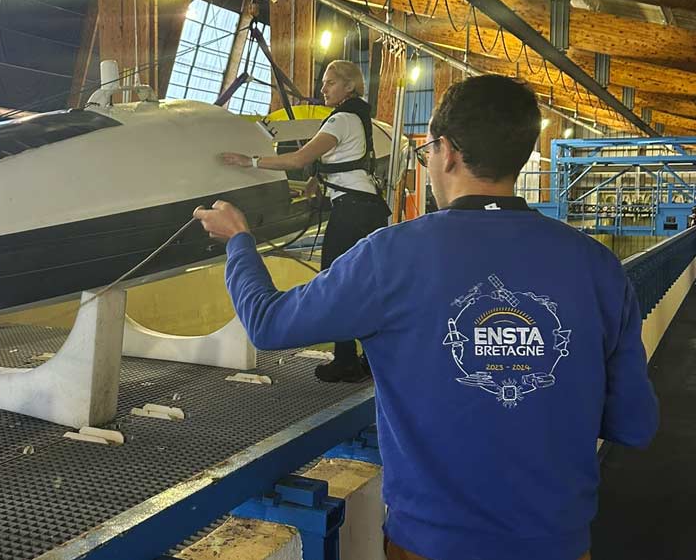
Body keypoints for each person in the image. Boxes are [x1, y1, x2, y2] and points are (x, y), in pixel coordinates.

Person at [195, 74, 658, 560]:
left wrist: (239, 242)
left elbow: (268, 323)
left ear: (449, 152)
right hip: (558, 543)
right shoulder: (597, 267)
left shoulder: (392, 255)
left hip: (432, 544)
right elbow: (635, 424)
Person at [218, 60, 389, 383]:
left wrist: (249, 161)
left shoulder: (340, 119)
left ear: (349, 86)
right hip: (367, 207)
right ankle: (371, 358)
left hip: (352, 211)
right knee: (362, 282)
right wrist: (316, 184)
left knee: (336, 283)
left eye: (330, 83)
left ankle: (345, 361)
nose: (322, 89)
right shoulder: (358, 118)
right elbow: (345, 163)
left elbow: (299, 159)